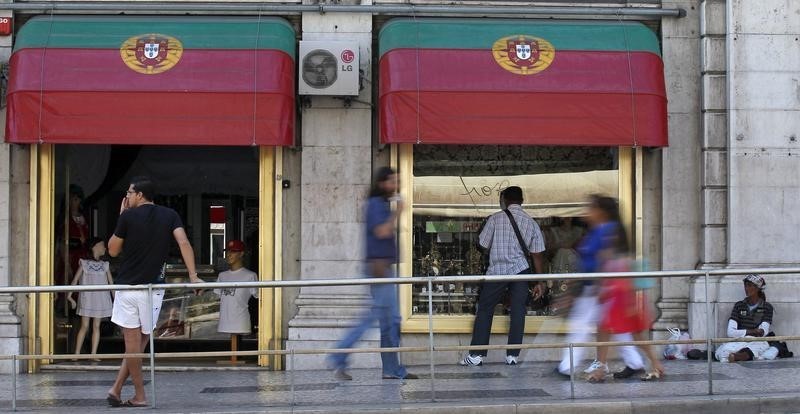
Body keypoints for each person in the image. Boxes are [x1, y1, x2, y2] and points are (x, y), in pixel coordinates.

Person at [105, 176, 202, 408]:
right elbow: (184, 242)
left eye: (129, 193)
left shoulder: (127, 217)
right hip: (153, 288)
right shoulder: (170, 215)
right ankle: (119, 390)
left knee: (132, 346)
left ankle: (135, 394)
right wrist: (193, 275)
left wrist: (121, 218)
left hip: (127, 288)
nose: (126, 197)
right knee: (139, 345)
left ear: (139, 195)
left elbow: (112, 251)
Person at [328, 167, 416, 380]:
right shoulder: (376, 205)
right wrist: (398, 211)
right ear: (382, 183)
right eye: (393, 181)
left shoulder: (380, 204)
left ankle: (391, 369)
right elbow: (381, 231)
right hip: (380, 269)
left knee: (390, 322)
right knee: (375, 318)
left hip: (383, 268)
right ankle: (338, 356)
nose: (397, 185)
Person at [557, 195, 649, 380]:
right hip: (594, 286)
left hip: (598, 287)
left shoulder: (608, 230)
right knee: (615, 327)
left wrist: (602, 285)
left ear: (601, 211)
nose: (587, 212)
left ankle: (567, 366)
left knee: (581, 326)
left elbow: (606, 258)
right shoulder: (599, 230)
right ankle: (634, 362)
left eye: (591, 208)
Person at [459, 186, 545, 366]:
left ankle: (477, 355)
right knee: (518, 311)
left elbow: (482, 244)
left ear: (504, 200)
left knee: (485, 310)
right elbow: (537, 254)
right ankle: (512, 356)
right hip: (520, 271)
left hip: (496, 272)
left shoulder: (495, 219)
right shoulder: (531, 222)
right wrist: (539, 281)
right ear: (522, 200)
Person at [582, 197, 664, 382]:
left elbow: (613, 259)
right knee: (608, 328)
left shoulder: (610, 230)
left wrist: (626, 298)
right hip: (615, 288)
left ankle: (654, 363)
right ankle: (604, 367)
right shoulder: (614, 229)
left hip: (618, 289)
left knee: (624, 331)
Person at [67, 237, 114, 360]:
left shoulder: (105, 265)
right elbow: (75, 280)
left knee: (96, 326)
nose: (104, 248)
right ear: (95, 247)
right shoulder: (85, 263)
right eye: (102, 245)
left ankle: (93, 353)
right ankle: (77, 353)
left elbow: (111, 285)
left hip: (101, 299)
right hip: (87, 298)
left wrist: (116, 299)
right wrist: (69, 296)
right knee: (85, 326)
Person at [715, 274, 775, 362]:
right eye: (745, 285)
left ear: (758, 288)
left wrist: (749, 332)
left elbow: (762, 332)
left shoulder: (767, 307)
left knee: (756, 348)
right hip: (740, 340)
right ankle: (736, 356)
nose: (746, 289)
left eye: (750, 286)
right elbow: (730, 332)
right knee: (722, 352)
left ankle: (738, 356)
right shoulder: (739, 305)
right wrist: (752, 331)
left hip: (756, 341)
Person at [214, 240, 258, 348]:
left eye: (233, 252)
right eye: (228, 251)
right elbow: (217, 295)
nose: (229, 254)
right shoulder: (222, 276)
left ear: (241, 254)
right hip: (225, 320)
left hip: (240, 320)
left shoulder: (250, 276)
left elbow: (258, 296)